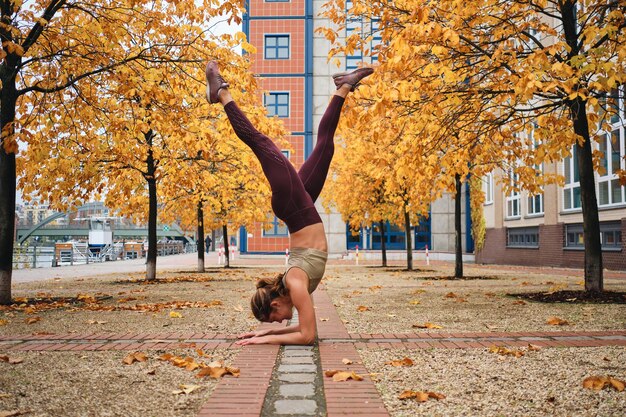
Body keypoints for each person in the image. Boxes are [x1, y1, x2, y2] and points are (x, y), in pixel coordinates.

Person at [204, 61, 373, 345]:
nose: (283, 320)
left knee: (261, 143)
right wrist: (268, 332)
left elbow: (306, 336)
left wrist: (264, 339)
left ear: (274, 304)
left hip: (294, 207)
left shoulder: (294, 285)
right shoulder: (293, 287)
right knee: (324, 146)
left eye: (276, 319)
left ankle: (220, 93)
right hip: (301, 209)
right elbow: (306, 334)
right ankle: (344, 85)